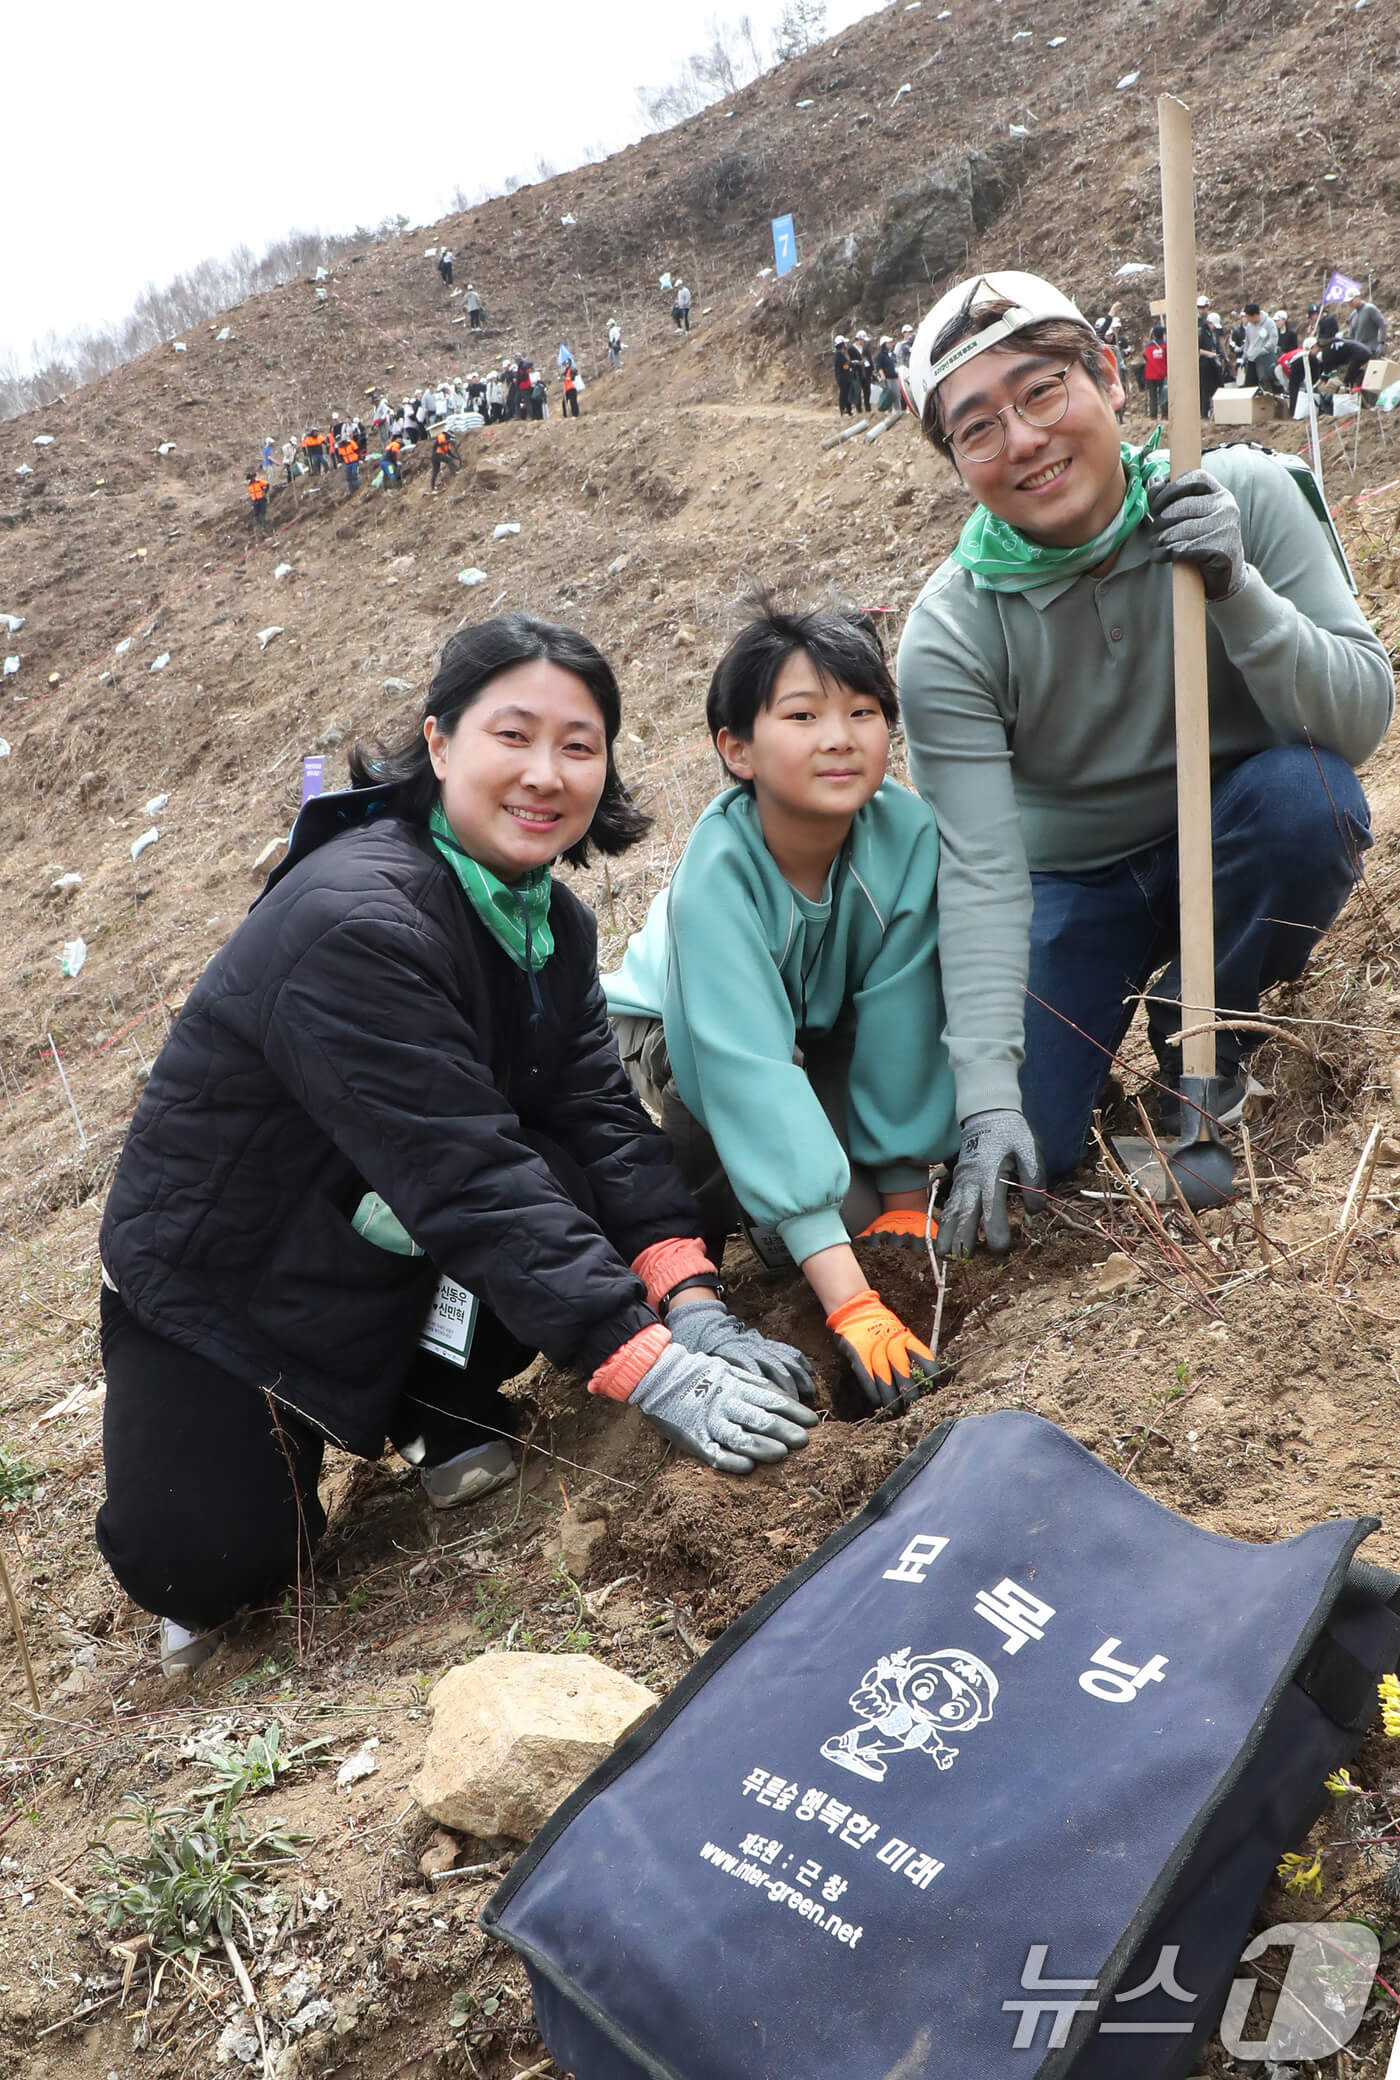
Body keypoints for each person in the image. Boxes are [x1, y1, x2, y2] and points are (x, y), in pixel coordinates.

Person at [96, 616, 817, 1674]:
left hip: (381, 1233)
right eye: (511, 736)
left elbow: (597, 1119)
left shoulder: (550, 925)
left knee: (562, 1168)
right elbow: (466, 1178)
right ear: (437, 746)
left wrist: (690, 1301)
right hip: (226, 1286)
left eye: (578, 745)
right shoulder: (358, 920)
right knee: (211, 1569)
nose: (545, 774)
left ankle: (432, 1401)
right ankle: (306, 1439)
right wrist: (654, 1373)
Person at [894, 269, 1394, 1248]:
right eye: (978, 427)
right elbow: (980, 872)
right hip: (1064, 884)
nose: (1024, 440)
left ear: (1109, 379)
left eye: (1041, 391)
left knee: (1310, 804)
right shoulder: (948, 634)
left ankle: (1202, 1027)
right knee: (1029, 1142)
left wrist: (1235, 587)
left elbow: (1361, 717)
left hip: (1237, 827)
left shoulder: (1238, 491)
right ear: (956, 460)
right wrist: (988, 1095)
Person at [605, 604, 956, 1410]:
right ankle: (718, 1210)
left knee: (868, 1213)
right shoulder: (718, 876)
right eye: (803, 716)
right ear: (738, 749)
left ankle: (810, 1208)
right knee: (797, 1202)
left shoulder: (902, 833)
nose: (840, 737)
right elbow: (747, 1068)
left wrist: (905, 1210)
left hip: (817, 1028)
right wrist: (855, 1305)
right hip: (678, 1033)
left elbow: (902, 1016)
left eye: (863, 713)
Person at [1241, 303, 1279, 392]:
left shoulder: (1269, 323)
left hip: (1265, 358)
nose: (1247, 319)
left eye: (1248, 317)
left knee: (1266, 382)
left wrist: (1262, 350)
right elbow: (1248, 342)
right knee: (1249, 387)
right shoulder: (1249, 326)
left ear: (1254, 315)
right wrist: (1244, 357)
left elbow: (1273, 340)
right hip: (1251, 360)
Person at [1347, 292, 1387, 359]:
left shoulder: (1370, 309)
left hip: (1372, 350)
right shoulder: (1353, 315)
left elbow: (1383, 325)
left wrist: (1381, 343)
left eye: (1351, 301)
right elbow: (1351, 335)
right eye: (1348, 302)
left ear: (1358, 298)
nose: (1350, 303)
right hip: (1358, 351)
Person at [1143, 323, 1167, 420]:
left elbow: (1145, 356)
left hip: (1150, 374)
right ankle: (1165, 415)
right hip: (1162, 374)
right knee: (1164, 395)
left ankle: (1153, 415)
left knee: (1153, 396)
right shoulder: (1166, 346)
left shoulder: (1148, 347)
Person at [429, 426, 458, 492]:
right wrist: (449, 441)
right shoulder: (441, 436)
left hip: (437, 456)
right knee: (448, 461)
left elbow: (449, 452)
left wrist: (456, 457)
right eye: (449, 436)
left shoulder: (447, 442)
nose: (450, 438)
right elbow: (441, 444)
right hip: (436, 455)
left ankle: (433, 487)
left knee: (436, 471)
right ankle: (454, 473)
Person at [832, 336, 856, 415]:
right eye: (844, 343)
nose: (846, 345)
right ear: (842, 344)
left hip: (845, 377)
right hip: (842, 378)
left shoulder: (841, 354)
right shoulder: (838, 355)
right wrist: (850, 365)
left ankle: (848, 410)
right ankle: (843, 409)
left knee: (846, 393)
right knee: (843, 393)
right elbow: (844, 366)